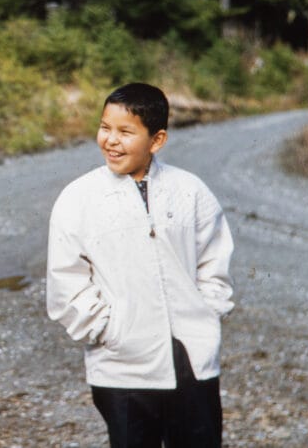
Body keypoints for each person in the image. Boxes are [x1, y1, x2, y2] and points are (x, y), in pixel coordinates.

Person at [46, 82, 234, 447]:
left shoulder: (189, 191)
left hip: (191, 362)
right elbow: (65, 280)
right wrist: (107, 330)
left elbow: (214, 262)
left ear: (157, 139)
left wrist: (206, 318)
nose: (110, 140)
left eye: (125, 132)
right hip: (121, 368)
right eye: (105, 127)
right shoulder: (78, 198)